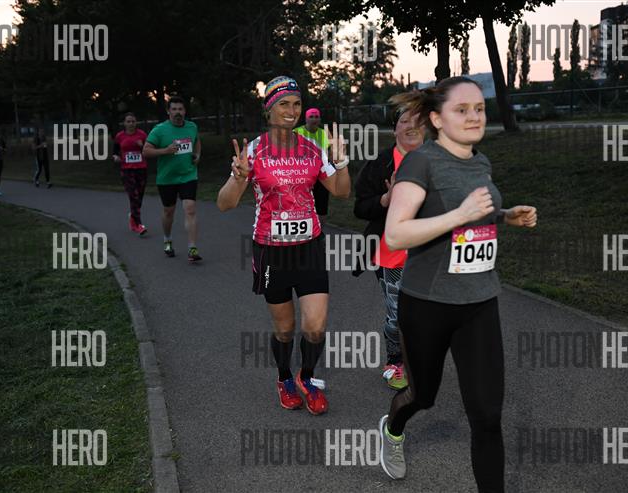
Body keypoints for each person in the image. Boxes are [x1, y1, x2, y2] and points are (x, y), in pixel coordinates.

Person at [377, 77, 538, 489]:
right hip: (427, 303)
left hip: (479, 301)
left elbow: (473, 213)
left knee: (487, 415)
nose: (474, 116)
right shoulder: (420, 162)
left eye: (479, 108)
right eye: (461, 110)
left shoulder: (480, 162)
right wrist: (460, 215)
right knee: (422, 396)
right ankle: (393, 428)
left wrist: (504, 216)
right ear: (436, 119)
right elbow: (395, 234)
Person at [216, 76, 351, 415]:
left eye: (297, 103)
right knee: (285, 328)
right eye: (284, 104)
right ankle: (284, 378)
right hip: (271, 252)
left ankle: (307, 376)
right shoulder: (253, 151)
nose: (292, 110)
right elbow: (224, 204)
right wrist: (238, 177)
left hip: (309, 248)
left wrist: (342, 162)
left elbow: (341, 191)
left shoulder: (312, 149)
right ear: (269, 109)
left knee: (315, 327)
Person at [353, 99, 424, 390]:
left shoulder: (439, 161)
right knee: (398, 316)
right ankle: (395, 362)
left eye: (417, 121)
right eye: (404, 121)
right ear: (395, 129)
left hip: (428, 255)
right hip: (391, 254)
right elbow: (360, 207)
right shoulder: (379, 164)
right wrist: (385, 199)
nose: (411, 126)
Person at [143, 96, 202, 261]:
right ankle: (167, 239)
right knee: (169, 212)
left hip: (188, 175)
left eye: (180, 109)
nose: (177, 112)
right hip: (167, 178)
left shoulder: (192, 127)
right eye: (174, 109)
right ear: (168, 112)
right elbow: (146, 151)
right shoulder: (159, 130)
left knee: (190, 208)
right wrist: (165, 151)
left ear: (185, 111)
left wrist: (197, 155)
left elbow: (197, 141)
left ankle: (192, 248)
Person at [113, 113, 149, 236]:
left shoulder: (142, 135)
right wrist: (116, 157)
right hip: (127, 170)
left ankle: (133, 217)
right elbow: (115, 151)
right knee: (134, 196)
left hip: (141, 169)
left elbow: (149, 151)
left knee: (139, 196)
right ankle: (139, 225)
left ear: (136, 122)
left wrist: (142, 146)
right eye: (128, 121)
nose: (131, 124)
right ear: (124, 123)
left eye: (133, 121)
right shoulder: (120, 136)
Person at [294, 108, 331, 219]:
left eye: (316, 117)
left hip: (321, 176)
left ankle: (321, 229)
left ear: (319, 119)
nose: (314, 119)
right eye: (311, 117)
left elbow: (328, 153)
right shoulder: (296, 132)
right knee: (302, 206)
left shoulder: (324, 133)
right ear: (306, 119)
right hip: (302, 176)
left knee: (321, 208)